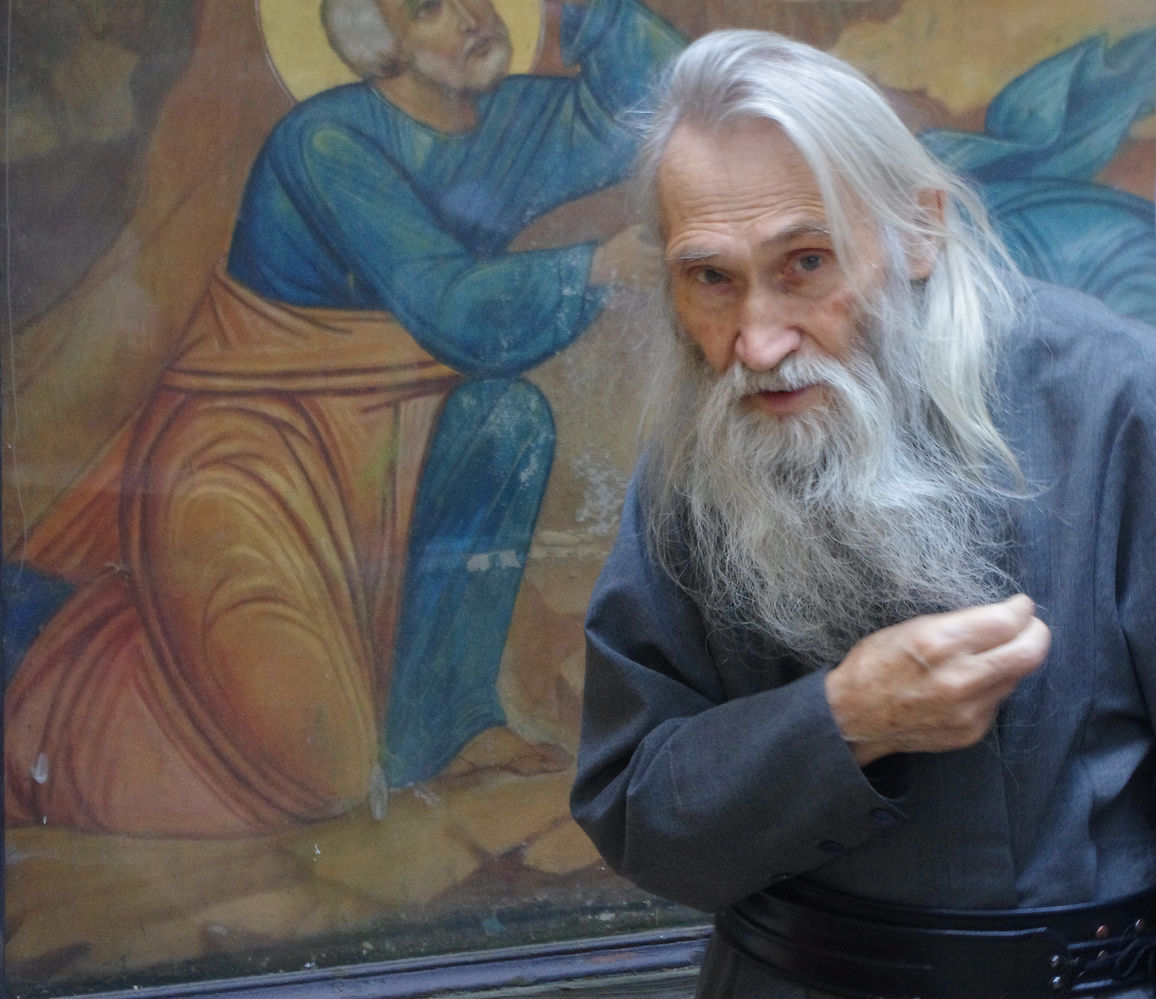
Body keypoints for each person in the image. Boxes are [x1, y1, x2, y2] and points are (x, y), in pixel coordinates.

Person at [569, 29, 1156, 999]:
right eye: (711, 279)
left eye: (805, 262)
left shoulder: (1115, 400)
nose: (758, 344)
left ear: (919, 231)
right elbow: (638, 813)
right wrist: (841, 721)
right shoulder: (705, 447)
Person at [4, 0, 680, 836]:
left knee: (505, 420)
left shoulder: (509, 120)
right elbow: (447, 304)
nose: (474, 16)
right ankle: (37, 661)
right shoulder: (325, 144)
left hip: (396, 434)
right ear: (379, 44)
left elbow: (663, 105)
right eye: (430, 8)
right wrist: (598, 266)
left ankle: (441, 729)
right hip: (251, 457)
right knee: (316, 765)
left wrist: (591, 10)